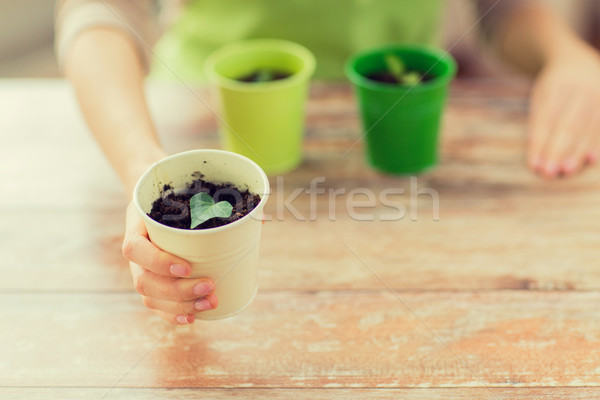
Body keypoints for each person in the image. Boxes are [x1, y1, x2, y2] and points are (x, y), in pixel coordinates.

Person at [55, 0, 600, 324]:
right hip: (189, 112)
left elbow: (505, 11)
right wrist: (142, 166)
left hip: (409, 131)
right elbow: (98, 12)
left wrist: (568, 54)